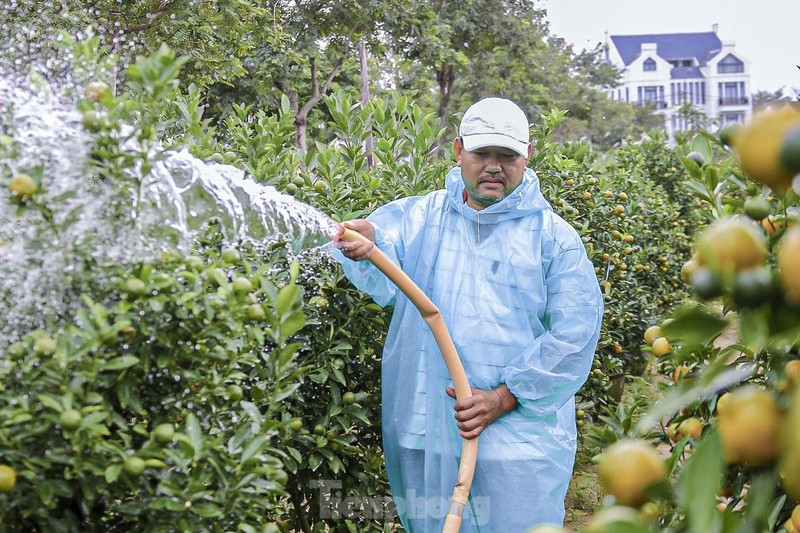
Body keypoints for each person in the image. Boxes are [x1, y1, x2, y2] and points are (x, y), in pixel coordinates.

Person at [334, 97, 603, 532]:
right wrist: (366, 247)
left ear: (527, 157)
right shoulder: (421, 219)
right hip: (429, 434)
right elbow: (381, 261)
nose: (493, 166)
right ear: (458, 151)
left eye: (507, 155)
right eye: (482, 154)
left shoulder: (553, 239)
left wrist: (502, 397)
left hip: (520, 444)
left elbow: (574, 337)